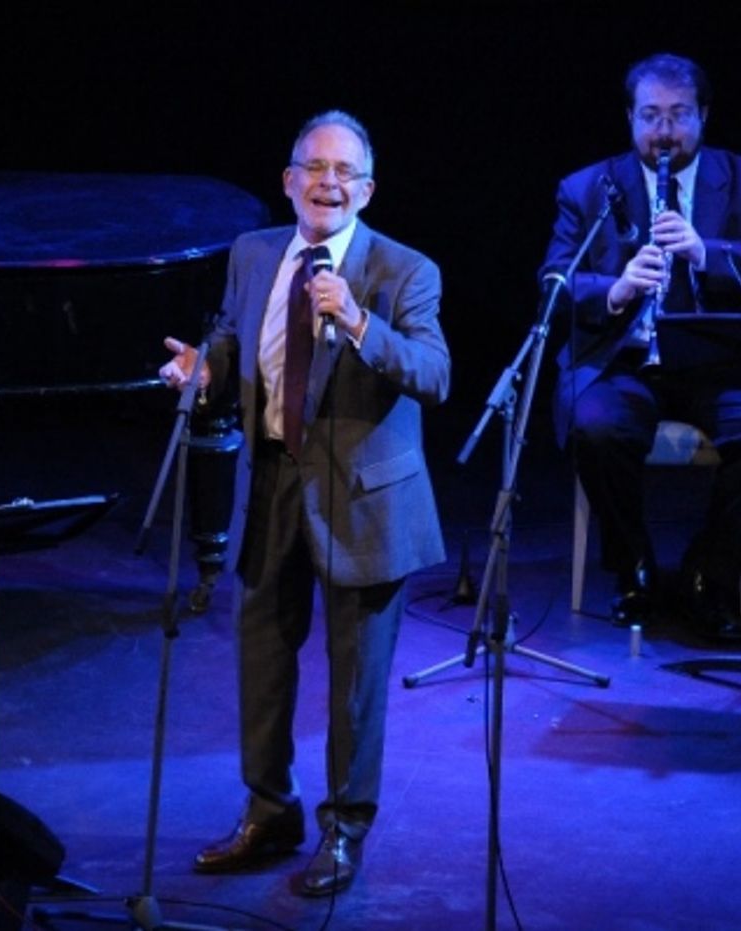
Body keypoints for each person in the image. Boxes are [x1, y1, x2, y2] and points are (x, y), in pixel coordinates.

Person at [159, 110, 449, 896]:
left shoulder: (404, 270)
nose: (329, 183)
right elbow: (234, 336)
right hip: (273, 481)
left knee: (355, 679)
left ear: (367, 189)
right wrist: (206, 368)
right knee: (261, 656)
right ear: (289, 182)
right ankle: (269, 811)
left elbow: (434, 373)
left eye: (345, 171)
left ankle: (344, 830)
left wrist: (357, 320)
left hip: (363, 499)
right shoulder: (254, 252)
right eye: (315, 168)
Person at [539, 52, 741, 639]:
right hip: (625, 363)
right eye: (650, 116)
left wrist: (707, 252)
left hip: (718, 364)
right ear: (630, 118)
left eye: (678, 115)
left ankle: (708, 575)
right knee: (595, 426)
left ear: (703, 116)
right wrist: (618, 288)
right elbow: (555, 284)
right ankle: (634, 568)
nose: (663, 132)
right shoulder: (587, 188)